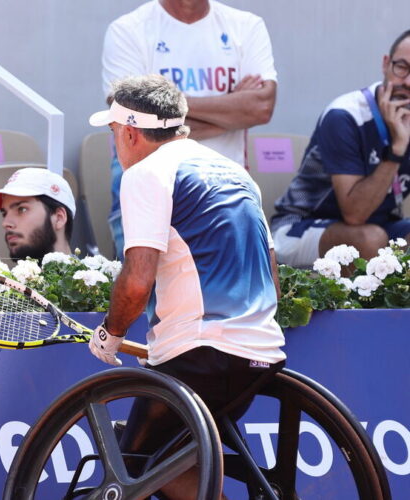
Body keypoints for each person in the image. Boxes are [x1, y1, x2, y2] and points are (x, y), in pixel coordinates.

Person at [87, 74, 285, 498]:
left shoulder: (145, 173)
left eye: (113, 134)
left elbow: (138, 280)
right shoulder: (238, 173)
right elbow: (273, 278)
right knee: (172, 456)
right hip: (262, 355)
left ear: (129, 132)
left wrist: (111, 333)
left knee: (133, 466)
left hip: (200, 354)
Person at [101, 0, 278, 257]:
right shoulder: (129, 29)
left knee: (230, 291)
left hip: (227, 192)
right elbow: (130, 117)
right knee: (144, 291)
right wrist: (231, 110)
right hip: (149, 190)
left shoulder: (246, 26)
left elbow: (261, 108)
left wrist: (163, 115)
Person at [271, 30, 410, 267]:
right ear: (386, 64)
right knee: (368, 241)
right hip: (301, 227)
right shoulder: (345, 115)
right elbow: (355, 215)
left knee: (375, 236)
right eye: (402, 67)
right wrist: (397, 148)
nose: (407, 82)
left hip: (380, 224)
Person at [0, 167, 75, 260]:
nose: (5, 223)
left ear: (59, 218)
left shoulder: (89, 274)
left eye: (22, 209)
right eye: (4, 213)